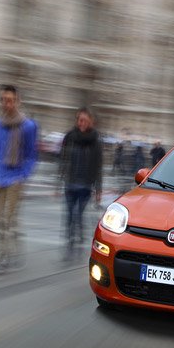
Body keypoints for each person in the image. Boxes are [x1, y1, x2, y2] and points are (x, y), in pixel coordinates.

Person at [0, 85, 38, 274]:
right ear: (0, 101)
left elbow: (31, 153)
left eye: (11, 100)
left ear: (17, 101)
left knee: (7, 219)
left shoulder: (28, 126)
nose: (8, 104)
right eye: (4, 100)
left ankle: (4, 255)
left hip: (14, 177)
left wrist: (23, 175)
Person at [59, 108, 102, 258]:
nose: (81, 123)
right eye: (79, 120)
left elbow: (98, 166)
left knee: (78, 213)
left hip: (85, 184)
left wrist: (98, 190)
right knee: (70, 214)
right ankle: (70, 242)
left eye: (84, 120)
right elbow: (63, 159)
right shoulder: (69, 136)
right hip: (70, 182)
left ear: (90, 122)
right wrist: (58, 181)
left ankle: (79, 234)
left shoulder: (96, 140)